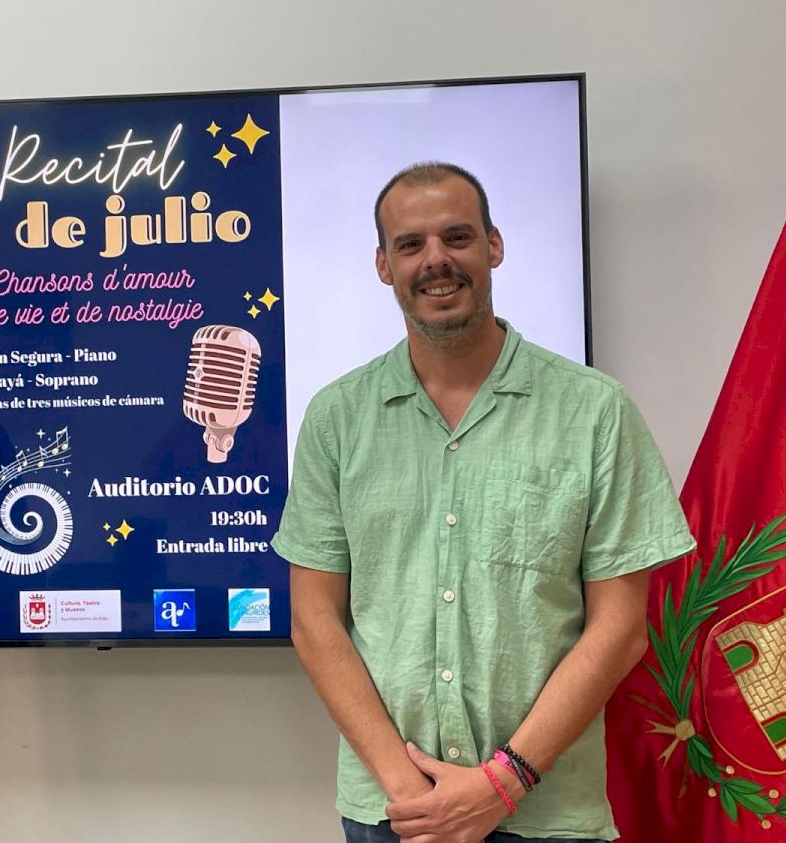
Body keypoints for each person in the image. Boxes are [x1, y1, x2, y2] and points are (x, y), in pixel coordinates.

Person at [271, 163, 695, 843]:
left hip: (547, 814)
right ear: (384, 265)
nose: (435, 259)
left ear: (493, 246)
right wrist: (412, 792)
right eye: (410, 244)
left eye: (458, 236)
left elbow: (620, 629)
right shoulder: (336, 419)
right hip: (394, 814)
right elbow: (314, 619)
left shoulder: (595, 411)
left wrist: (503, 783)